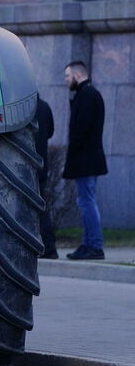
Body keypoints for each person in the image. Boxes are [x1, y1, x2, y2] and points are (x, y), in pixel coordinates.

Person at [63, 61, 107, 260]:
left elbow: (81, 130)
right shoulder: (87, 94)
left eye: (67, 76)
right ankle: (89, 244)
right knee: (85, 201)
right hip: (87, 159)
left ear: (77, 75)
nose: (66, 80)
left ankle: (94, 245)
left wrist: (72, 153)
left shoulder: (87, 95)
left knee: (86, 202)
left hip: (86, 160)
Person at [34, 95, 57, 259]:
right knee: (41, 206)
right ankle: (49, 245)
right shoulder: (45, 106)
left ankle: (48, 247)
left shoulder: (21, 107)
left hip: (25, 163)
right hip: (42, 162)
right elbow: (50, 132)